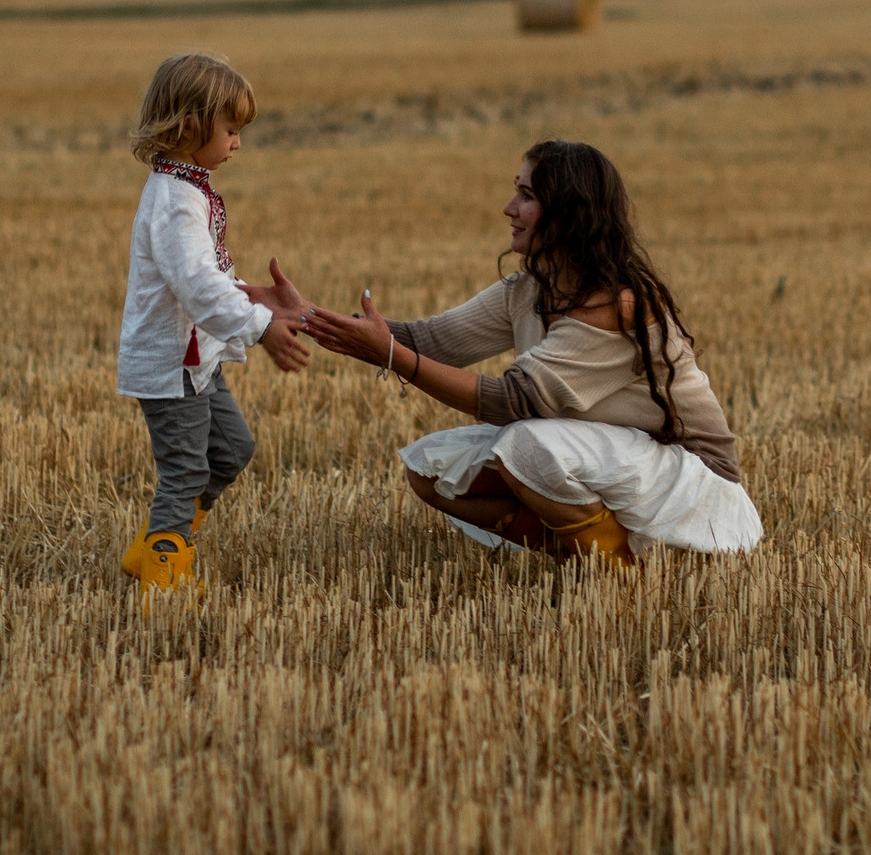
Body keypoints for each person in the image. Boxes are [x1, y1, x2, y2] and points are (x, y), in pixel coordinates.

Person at [302, 139, 761, 563]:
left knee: (524, 444)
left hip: (695, 486)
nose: (509, 208)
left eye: (526, 196)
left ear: (569, 214)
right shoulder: (527, 290)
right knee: (430, 468)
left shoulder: (616, 303)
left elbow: (513, 402)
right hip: (624, 466)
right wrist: (300, 316)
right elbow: (428, 342)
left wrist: (391, 355)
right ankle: (583, 551)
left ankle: (620, 568)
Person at [116, 52, 310, 595]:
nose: (237, 143)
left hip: (197, 359)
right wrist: (261, 328)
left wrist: (255, 297)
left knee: (232, 450)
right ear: (188, 126)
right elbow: (198, 289)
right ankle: (163, 582)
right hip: (173, 366)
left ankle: (151, 550)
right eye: (230, 129)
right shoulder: (176, 202)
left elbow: (207, 275)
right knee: (185, 474)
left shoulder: (187, 187)